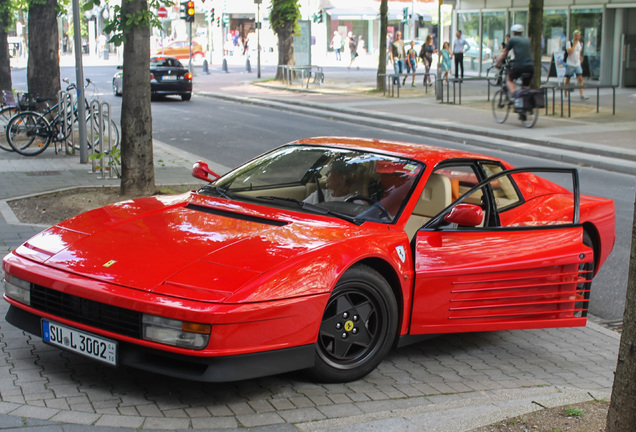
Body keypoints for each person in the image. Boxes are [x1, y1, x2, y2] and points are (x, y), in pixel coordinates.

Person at [495, 24, 533, 97]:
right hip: (530, 67)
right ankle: (526, 103)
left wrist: (497, 62)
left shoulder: (513, 39)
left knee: (509, 79)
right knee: (526, 86)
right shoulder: (527, 39)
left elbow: (504, 53)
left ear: (513, 33)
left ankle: (515, 97)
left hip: (520, 66)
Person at [564, 30, 589, 100]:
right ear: (573, 36)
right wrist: (574, 45)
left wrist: (580, 59)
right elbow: (570, 52)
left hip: (577, 64)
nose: (577, 37)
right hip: (570, 63)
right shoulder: (569, 43)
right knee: (567, 79)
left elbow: (580, 52)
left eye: (578, 36)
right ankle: (565, 94)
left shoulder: (580, 43)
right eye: (576, 35)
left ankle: (582, 94)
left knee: (580, 78)